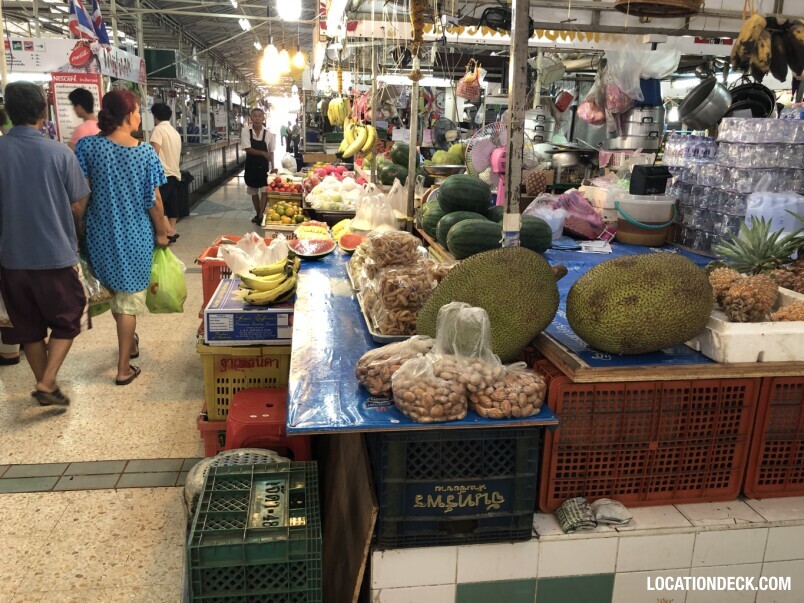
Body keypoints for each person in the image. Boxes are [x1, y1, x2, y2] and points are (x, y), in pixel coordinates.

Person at [0, 81, 91, 405]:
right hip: (53, 254)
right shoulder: (59, 152)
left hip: (11, 259)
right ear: (43, 111)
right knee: (69, 317)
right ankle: (48, 380)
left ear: (8, 112)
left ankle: (47, 385)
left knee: (28, 327)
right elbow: (80, 202)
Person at [74, 90, 169, 386]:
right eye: (138, 111)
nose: (140, 116)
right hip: (135, 235)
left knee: (117, 295)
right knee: (128, 301)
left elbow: (80, 197)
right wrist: (163, 231)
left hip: (100, 234)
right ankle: (123, 367)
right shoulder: (144, 152)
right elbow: (153, 200)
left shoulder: (88, 147)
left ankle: (130, 343)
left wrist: (79, 229)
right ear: (127, 115)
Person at [150, 103, 182, 244]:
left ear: (155, 116)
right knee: (171, 205)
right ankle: (171, 231)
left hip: (162, 174)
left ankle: (169, 231)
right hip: (174, 173)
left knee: (159, 204)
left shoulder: (158, 130)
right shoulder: (174, 132)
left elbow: (154, 152)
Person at [240, 107, 275, 223]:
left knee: (264, 190)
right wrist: (263, 153)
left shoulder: (269, 134)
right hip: (251, 166)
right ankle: (258, 213)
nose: (257, 118)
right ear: (251, 118)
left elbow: (271, 152)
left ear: (263, 118)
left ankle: (260, 216)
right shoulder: (246, 131)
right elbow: (248, 149)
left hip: (264, 167)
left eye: (259, 116)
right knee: (253, 191)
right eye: (254, 116)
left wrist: (273, 167)